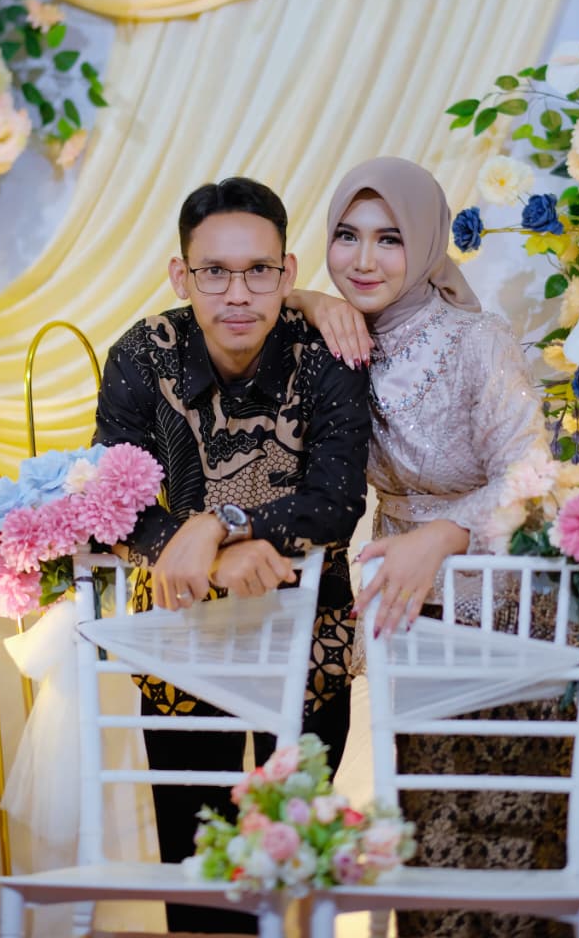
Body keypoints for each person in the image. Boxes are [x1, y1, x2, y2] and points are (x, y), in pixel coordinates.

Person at [290, 156, 571, 938]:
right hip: (408, 615)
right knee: (421, 830)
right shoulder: (329, 341)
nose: (363, 260)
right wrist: (308, 298)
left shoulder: (474, 340)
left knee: (503, 833)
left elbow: (531, 473)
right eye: (346, 236)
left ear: (423, 242)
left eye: (389, 238)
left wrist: (443, 535)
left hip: (503, 608)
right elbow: (235, 295)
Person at [93, 175, 371, 934]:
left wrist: (219, 524)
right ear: (180, 275)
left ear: (287, 273)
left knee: (294, 870)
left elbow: (336, 503)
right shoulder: (141, 355)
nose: (237, 293)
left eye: (258, 271)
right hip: (181, 641)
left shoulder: (326, 355)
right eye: (213, 271)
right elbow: (111, 503)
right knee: (198, 880)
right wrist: (209, 560)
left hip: (309, 642)